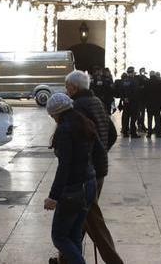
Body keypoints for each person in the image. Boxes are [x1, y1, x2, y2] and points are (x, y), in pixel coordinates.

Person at [64, 70, 123, 264]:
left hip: (85, 172)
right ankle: (65, 258)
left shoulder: (77, 107)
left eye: (67, 87)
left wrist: (89, 157)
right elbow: (112, 134)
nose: (66, 90)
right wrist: (102, 152)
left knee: (92, 221)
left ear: (74, 88)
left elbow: (77, 142)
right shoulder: (97, 102)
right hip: (99, 169)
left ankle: (115, 261)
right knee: (78, 220)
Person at [45, 92, 99, 264]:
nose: (53, 119)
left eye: (52, 115)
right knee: (75, 235)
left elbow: (64, 167)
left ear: (58, 112)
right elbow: (98, 151)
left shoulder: (64, 129)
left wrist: (53, 197)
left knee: (59, 237)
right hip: (89, 184)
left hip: (73, 190)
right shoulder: (85, 123)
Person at [144, 71, 161, 137]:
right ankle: (158, 133)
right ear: (154, 75)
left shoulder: (147, 82)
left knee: (149, 119)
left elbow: (144, 94)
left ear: (150, 75)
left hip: (149, 104)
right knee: (158, 119)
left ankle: (149, 133)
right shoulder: (159, 82)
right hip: (157, 104)